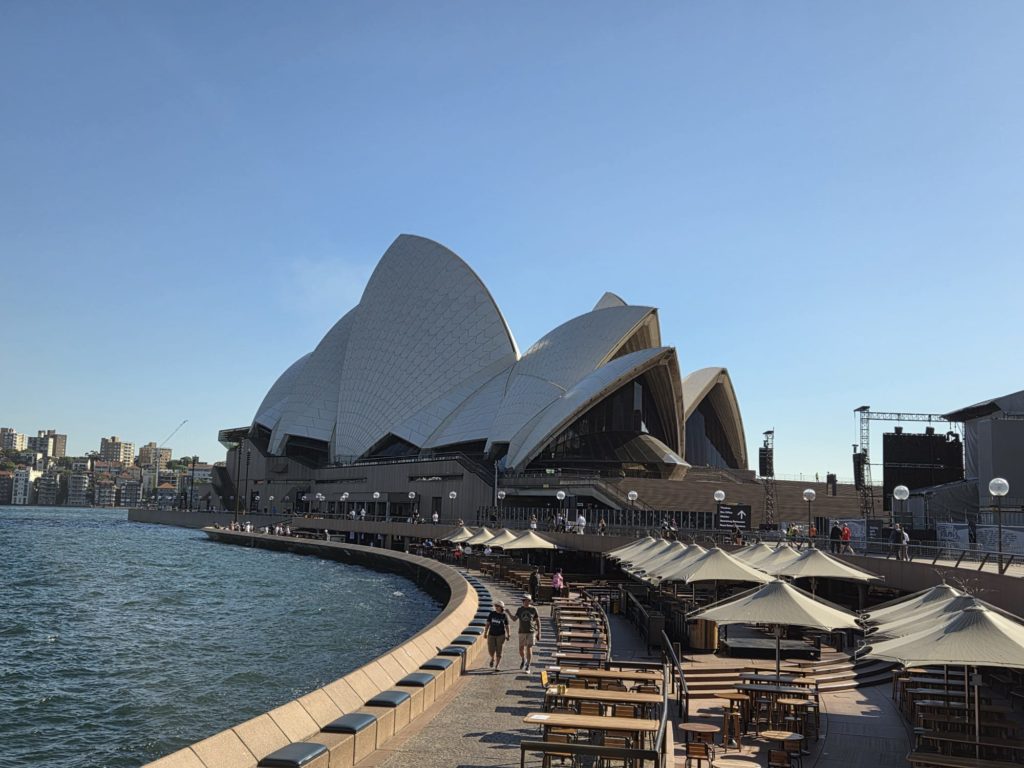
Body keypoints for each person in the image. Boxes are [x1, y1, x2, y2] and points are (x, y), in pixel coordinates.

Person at [514, 594, 541, 673]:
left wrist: (539, 632)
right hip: (521, 631)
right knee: (521, 649)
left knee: (529, 648)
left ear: (530, 601)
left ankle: (528, 665)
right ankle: (523, 659)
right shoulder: (520, 609)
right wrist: (508, 613)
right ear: (523, 601)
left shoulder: (533, 609)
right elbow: (514, 619)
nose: (526, 602)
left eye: (528, 601)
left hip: (531, 632)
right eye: (525, 600)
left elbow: (538, 621)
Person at [483, 600, 510, 671]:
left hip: (501, 635)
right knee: (491, 650)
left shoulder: (504, 615)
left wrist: (508, 634)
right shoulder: (492, 614)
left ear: (501, 607)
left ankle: (497, 666)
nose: (496, 607)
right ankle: (492, 658)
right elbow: (488, 624)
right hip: (491, 634)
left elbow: (507, 625)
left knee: (499, 650)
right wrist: (485, 633)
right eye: (496, 606)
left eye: (498, 606)